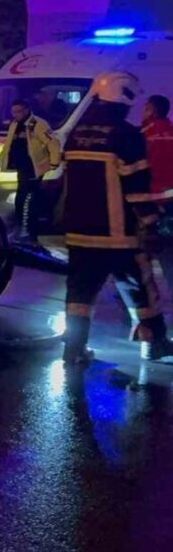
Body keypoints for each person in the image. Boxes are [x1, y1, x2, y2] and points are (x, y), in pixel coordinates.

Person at [61, 71, 171, 365]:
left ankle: (73, 350)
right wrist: (151, 223)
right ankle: (156, 343)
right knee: (141, 287)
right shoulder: (126, 134)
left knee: (79, 294)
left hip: (79, 232)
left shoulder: (76, 133)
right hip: (118, 234)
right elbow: (136, 187)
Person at [0, 99, 61, 241]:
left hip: (34, 167)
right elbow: (9, 143)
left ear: (26, 110)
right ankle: (21, 226)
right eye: (13, 112)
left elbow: (52, 143)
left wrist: (54, 162)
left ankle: (29, 230)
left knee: (29, 198)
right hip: (22, 166)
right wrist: (3, 159)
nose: (15, 115)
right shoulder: (14, 124)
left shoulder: (37, 124)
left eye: (19, 111)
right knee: (21, 197)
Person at [140, 95, 173, 286]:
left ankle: (136, 298)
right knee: (169, 251)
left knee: (140, 253)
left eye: (145, 108)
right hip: (170, 202)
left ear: (152, 110)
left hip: (148, 202)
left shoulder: (143, 134)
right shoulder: (171, 130)